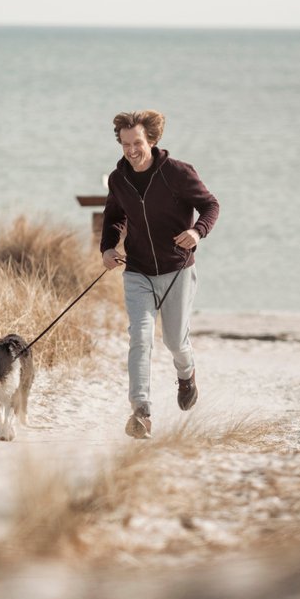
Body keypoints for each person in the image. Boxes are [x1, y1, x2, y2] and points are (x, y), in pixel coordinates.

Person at [100, 110, 220, 439]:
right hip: (137, 270)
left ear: (151, 140)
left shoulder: (177, 173)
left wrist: (197, 232)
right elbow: (113, 217)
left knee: (173, 340)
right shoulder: (118, 178)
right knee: (139, 338)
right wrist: (108, 248)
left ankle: (186, 373)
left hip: (177, 269)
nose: (131, 150)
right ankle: (141, 411)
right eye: (125, 144)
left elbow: (211, 205)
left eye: (137, 142)